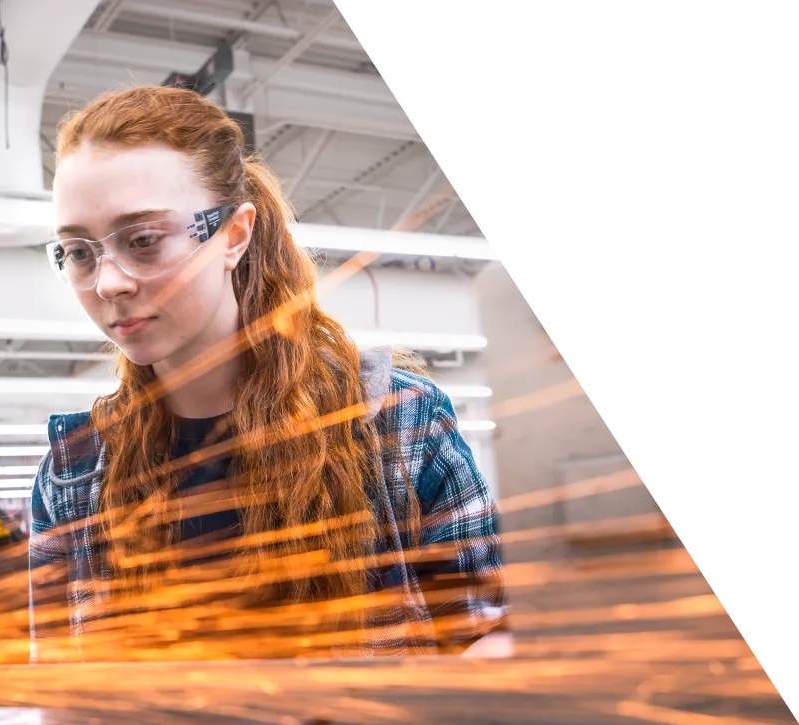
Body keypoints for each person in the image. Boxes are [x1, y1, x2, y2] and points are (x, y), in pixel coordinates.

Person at [27, 85, 508, 663]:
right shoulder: (74, 472)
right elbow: (56, 686)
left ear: (233, 235)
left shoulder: (394, 424)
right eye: (79, 253)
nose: (109, 283)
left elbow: (492, 639)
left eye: (144, 240)